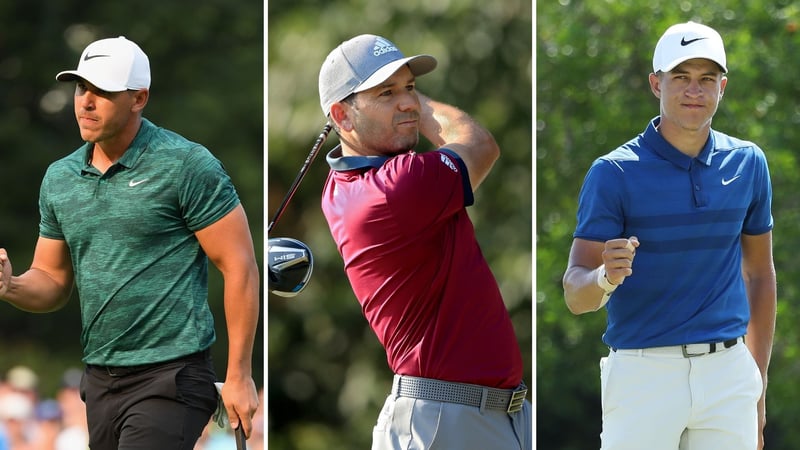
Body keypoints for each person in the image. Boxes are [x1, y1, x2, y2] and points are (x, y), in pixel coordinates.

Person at [0, 36, 260, 449]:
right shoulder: (60, 178)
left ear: (139, 98)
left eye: (102, 92)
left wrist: (240, 375)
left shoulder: (187, 165)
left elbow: (240, 265)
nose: (86, 101)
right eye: (81, 87)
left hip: (173, 377)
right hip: (100, 381)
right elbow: (51, 279)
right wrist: (10, 285)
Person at [562, 21, 776, 450]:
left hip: (729, 373)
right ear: (655, 83)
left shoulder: (748, 163)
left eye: (706, 79)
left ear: (723, 87)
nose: (693, 90)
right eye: (680, 77)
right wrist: (605, 277)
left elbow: (759, 274)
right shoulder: (613, 173)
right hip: (643, 375)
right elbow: (573, 293)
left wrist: (758, 381)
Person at [317, 34, 531, 450]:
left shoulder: (340, 187)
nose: (411, 104)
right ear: (341, 115)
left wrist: (395, 103)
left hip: (488, 416)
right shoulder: (397, 187)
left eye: (412, 88)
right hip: (445, 422)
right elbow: (480, 145)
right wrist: (418, 106)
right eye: (387, 92)